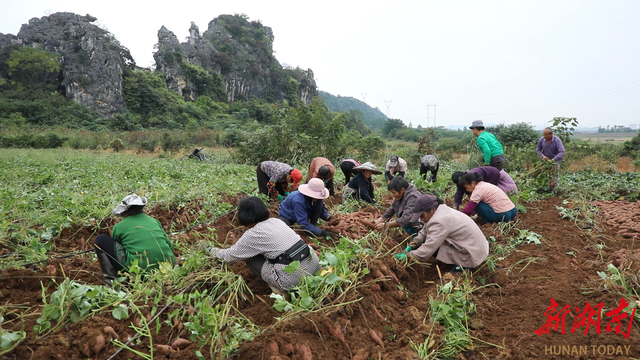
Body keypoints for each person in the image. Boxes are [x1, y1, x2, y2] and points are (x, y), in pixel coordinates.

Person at [206, 196, 320, 294]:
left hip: (293, 280)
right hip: (314, 267)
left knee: (249, 256)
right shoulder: (277, 221)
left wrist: (209, 249)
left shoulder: (252, 234)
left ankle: (280, 290)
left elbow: (227, 257)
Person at [93, 194, 175, 285]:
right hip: (166, 268)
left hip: (139, 271)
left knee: (100, 240)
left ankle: (112, 281)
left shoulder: (119, 227)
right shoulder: (153, 221)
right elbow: (169, 245)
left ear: (123, 212)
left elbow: (118, 249)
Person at [396, 194, 489, 270]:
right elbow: (425, 229)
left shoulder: (439, 221)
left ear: (431, 210)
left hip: (471, 253)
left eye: (422, 216)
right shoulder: (439, 210)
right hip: (476, 246)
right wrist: (414, 243)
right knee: (430, 240)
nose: (421, 219)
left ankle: (461, 267)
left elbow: (427, 250)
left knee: (435, 248)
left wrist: (408, 256)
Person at [452, 167, 518, 209]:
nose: (459, 185)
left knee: (490, 191)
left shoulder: (474, 177)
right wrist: (456, 205)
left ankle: (493, 205)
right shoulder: (462, 182)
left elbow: (478, 192)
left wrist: (472, 203)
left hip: (493, 174)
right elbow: (459, 192)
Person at [536, 127, 565, 191]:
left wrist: (554, 159)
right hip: (545, 161)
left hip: (555, 161)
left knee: (553, 179)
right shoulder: (541, 140)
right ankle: (544, 191)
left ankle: (554, 192)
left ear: (551, 134)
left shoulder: (556, 140)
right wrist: (542, 156)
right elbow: (538, 150)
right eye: (544, 134)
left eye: (546, 134)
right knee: (544, 176)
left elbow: (562, 151)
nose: (545, 136)